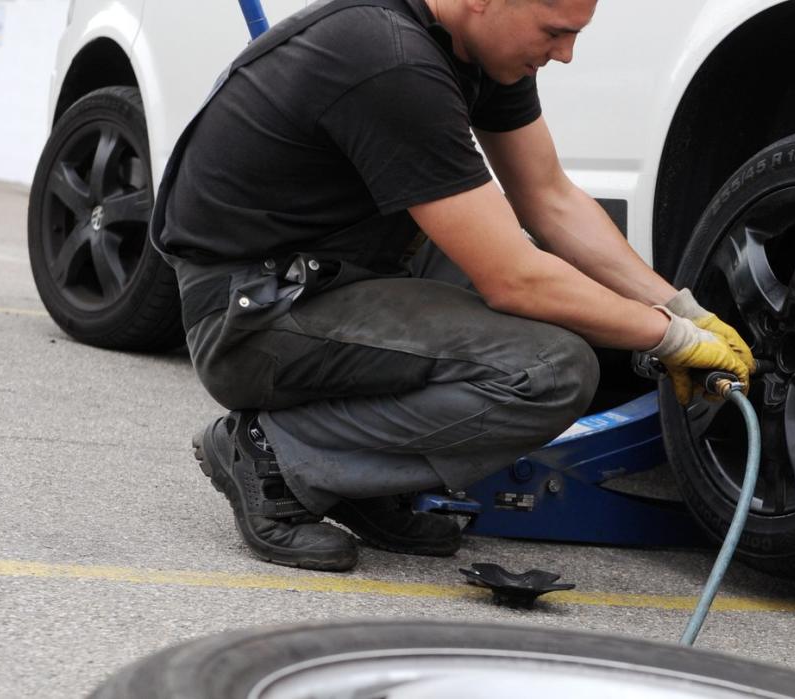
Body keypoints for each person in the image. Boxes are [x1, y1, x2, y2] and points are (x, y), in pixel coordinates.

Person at [150, 0, 753, 572]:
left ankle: (356, 478)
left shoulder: (470, 47)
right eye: (553, 32)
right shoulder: (390, 60)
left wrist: (679, 308)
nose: (566, 54)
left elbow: (550, 200)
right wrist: (668, 338)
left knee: (564, 293)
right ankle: (272, 453)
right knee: (550, 370)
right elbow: (513, 280)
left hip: (332, 274)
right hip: (250, 318)